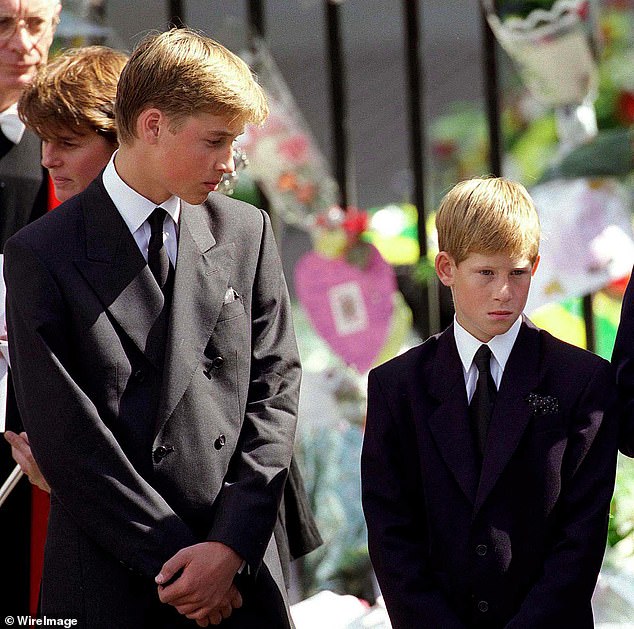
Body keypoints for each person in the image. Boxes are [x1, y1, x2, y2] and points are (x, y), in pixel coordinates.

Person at [4, 28, 301, 628]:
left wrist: (228, 549)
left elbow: (276, 393)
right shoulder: (41, 253)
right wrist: (180, 566)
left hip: (238, 576)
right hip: (113, 579)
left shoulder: (247, 232)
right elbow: (70, 440)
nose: (227, 165)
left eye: (234, 144)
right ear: (154, 125)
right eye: (214, 141)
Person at [361, 177, 618, 629]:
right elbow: (391, 533)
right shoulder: (396, 388)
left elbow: (581, 536)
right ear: (446, 269)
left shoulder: (582, 381)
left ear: (535, 267)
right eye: (486, 273)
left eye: (517, 272)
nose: (504, 291)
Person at [0, 0, 60, 615]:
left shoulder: (65, 137)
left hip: (33, 398)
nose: (23, 44)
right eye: (1, 26)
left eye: (37, 24)